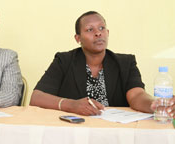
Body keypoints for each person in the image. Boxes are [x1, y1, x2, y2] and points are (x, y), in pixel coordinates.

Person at [30, 11, 175, 118]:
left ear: (108, 32)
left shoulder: (125, 62)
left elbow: (136, 95)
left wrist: (153, 104)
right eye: (89, 29)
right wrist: (71, 105)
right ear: (77, 38)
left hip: (115, 131)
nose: (98, 33)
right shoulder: (64, 60)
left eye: (101, 28)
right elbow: (36, 97)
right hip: (74, 131)